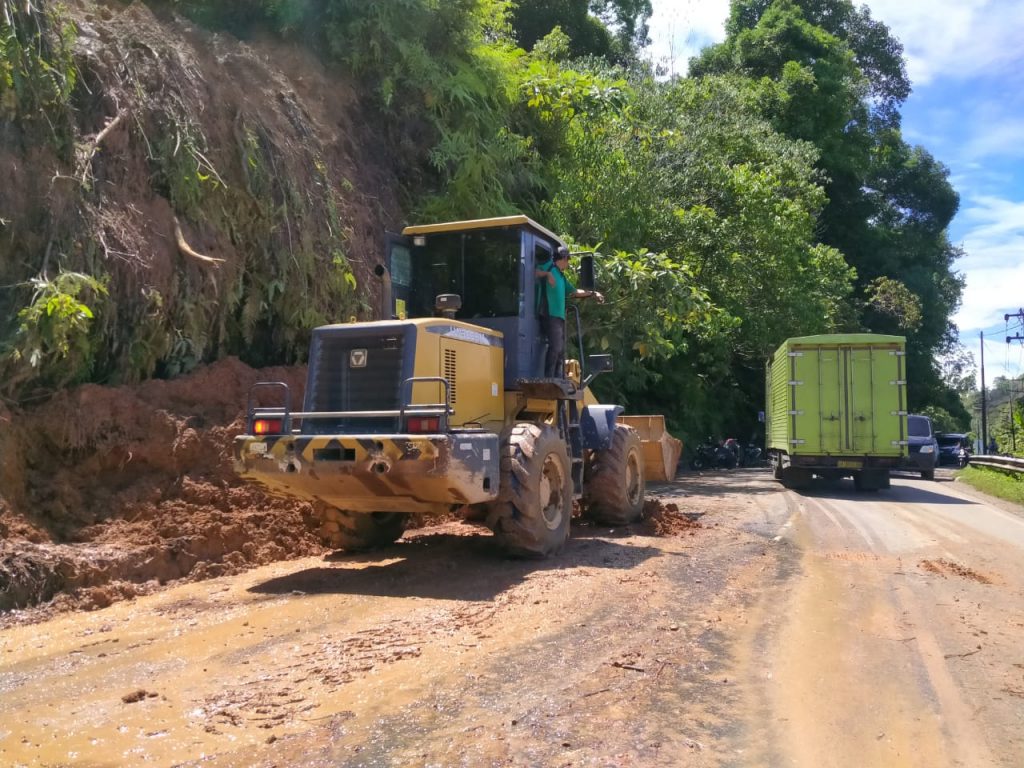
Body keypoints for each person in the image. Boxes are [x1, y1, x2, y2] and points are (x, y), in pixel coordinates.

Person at [535, 246, 603, 378]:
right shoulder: (549, 267)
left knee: (561, 350)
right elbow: (534, 272)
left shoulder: (561, 277)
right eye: (568, 260)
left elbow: (575, 292)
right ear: (564, 258)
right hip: (549, 314)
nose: (569, 263)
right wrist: (547, 274)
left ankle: (559, 377)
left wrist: (593, 293)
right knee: (556, 346)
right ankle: (549, 377)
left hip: (560, 316)